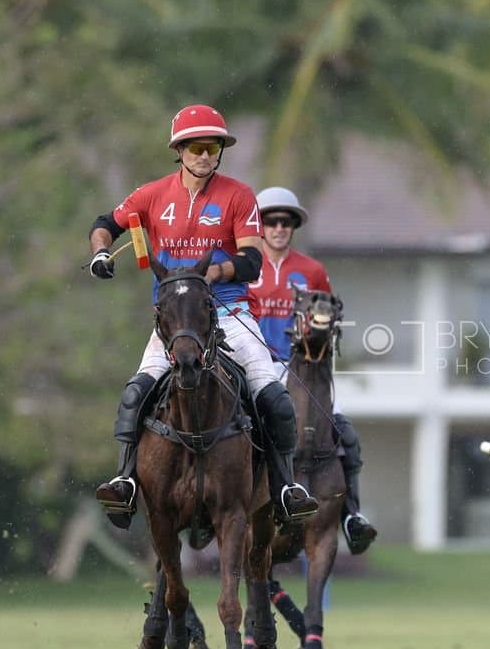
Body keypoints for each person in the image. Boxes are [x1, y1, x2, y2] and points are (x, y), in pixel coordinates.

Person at [88, 104, 319, 529]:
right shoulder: (152, 195)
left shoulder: (238, 195)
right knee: (136, 392)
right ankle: (124, 480)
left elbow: (250, 260)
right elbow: (105, 223)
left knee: (273, 395)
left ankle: (286, 487)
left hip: (228, 312)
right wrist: (101, 252)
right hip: (174, 322)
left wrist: (217, 271)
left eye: (213, 147)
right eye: (196, 147)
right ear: (179, 150)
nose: (205, 155)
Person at [249, 185, 379, 555]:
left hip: (302, 371)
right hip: (256, 367)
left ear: (293, 226)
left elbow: (330, 321)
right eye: (271, 221)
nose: (278, 228)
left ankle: (352, 515)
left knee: (345, 433)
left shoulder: (312, 271)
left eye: (286, 221)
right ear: (260, 225)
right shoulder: (244, 267)